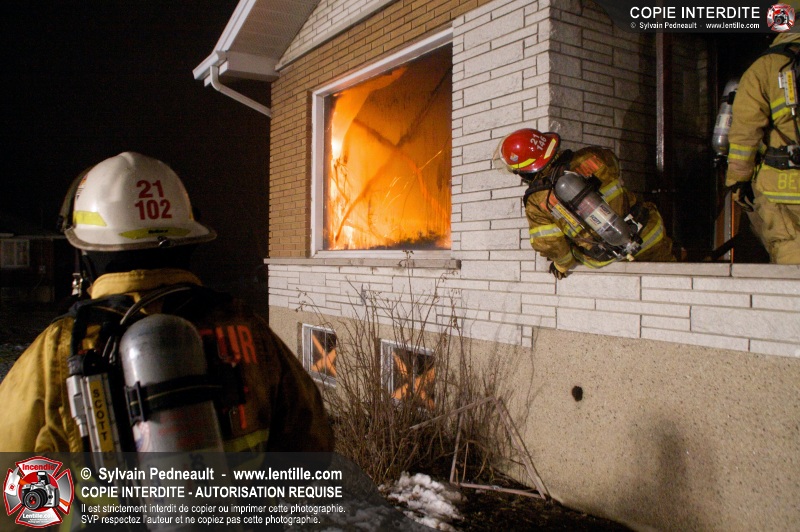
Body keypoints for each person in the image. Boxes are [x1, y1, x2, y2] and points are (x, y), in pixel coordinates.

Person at [0, 152, 333, 453]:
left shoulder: (60, 349)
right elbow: (314, 447)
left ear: (89, 253)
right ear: (188, 240)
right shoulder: (248, 328)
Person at [496, 128, 675, 278]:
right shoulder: (591, 156)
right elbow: (614, 164)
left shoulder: (536, 201)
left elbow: (550, 244)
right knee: (670, 275)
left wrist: (561, 266)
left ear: (525, 170)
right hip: (648, 231)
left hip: (610, 257)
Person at [726, 31, 800, 264]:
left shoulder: (766, 66)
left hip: (784, 190)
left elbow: (745, 133)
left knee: (791, 250)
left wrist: (737, 182)